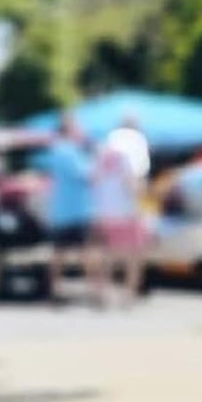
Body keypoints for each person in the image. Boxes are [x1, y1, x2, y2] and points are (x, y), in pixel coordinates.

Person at [89, 129, 149, 305]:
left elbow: (93, 183)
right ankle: (128, 296)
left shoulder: (98, 159)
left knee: (107, 255)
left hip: (104, 213)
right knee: (133, 256)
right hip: (125, 213)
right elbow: (131, 185)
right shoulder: (125, 157)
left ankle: (101, 293)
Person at [43, 113, 93, 302]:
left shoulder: (56, 150)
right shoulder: (69, 151)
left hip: (60, 211)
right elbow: (85, 174)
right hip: (76, 210)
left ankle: (54, 290)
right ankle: (95, 293)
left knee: (58, 254)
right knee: (86, 253)